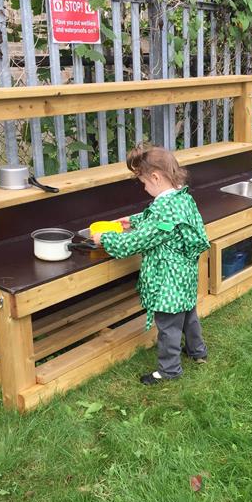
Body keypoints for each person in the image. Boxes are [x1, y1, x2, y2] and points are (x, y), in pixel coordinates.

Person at [90, 144, 211, 385]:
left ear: (155, 177)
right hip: (185, 275)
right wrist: (130, 221)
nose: (144, 188)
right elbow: (152, 220)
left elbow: (138, 242)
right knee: (188, 314)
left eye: (144, 182)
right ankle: (198, 352)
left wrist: (105, 238)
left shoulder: (165, 209)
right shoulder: (181, 198)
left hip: (168, 280)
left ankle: (169, 370)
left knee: (168, 326)